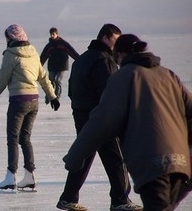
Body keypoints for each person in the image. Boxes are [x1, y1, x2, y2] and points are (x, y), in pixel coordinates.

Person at [63, 34, 192, 210]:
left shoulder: (123, 76)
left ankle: (119, 198)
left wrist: (74, 157)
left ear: (121, 55)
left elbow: (102, 121)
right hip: (182, 163)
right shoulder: (169, 75)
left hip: (152, 163)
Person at [57, 24, 142, 211]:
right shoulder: (104, 60)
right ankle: (120, 200)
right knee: (116, 159)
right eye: (115, 40)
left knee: (83, 155)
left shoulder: (81, 59)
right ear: (105, 38)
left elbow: (71, 90)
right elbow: (111, 93)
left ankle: (68, 197)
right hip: (102, 118)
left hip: (81, 114)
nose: (117, 45)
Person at [0, 24, 60, 191]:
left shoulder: (10, 55)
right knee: (25, 138)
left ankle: (11, 177)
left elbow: (3, 80)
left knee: (13, 139)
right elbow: (43, 77)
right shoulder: (33, 53)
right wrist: (53, 96)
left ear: (11, 38)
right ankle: (29, 176)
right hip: (34, 101)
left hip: (18, 100)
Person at [40, 27, 79, 98]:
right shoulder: (49, 45)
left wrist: (79, 60)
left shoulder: (63, 43)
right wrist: (39, 66)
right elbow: (44, 56)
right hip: (52, 66)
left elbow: (72, 52)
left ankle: (57, 96)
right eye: (51, 34)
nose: (52, 36)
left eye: (53, 34)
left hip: (62, 66)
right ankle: (49, 96)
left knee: (57, 81)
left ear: (57, 34)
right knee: (50, 81)